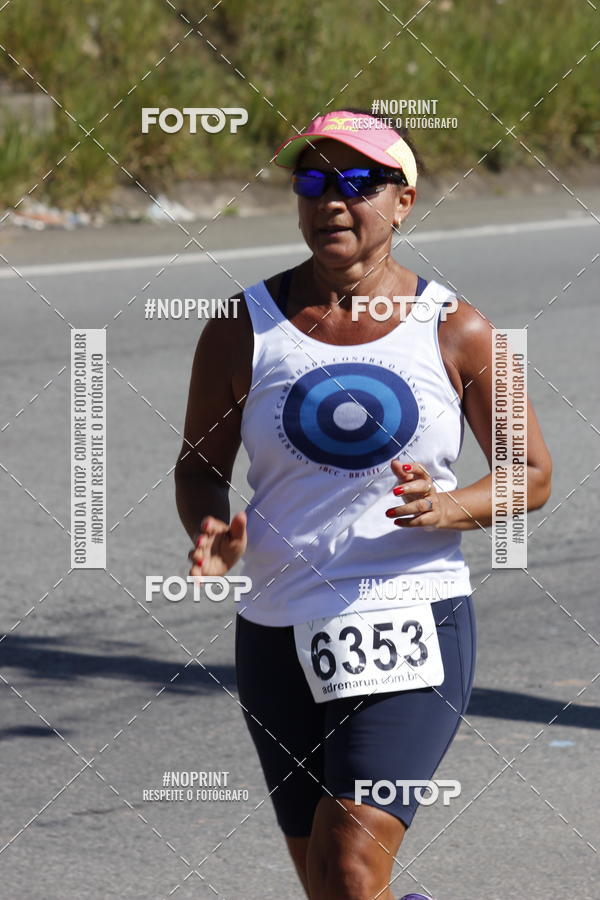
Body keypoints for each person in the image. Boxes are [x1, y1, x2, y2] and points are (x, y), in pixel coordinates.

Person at [175, 108, 552, 900]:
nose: (331, 200)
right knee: (329, 884)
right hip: (277, 629)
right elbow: (199, 468)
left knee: (349, 865)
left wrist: (451, 508)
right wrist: (211, 528)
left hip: (408, 617)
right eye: (311, 180)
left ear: (404, 201)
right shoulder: (242, 326)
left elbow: (531, 472)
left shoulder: (458, 330)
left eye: (357, 181)